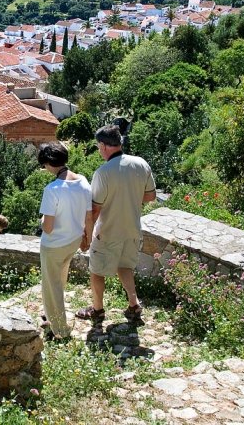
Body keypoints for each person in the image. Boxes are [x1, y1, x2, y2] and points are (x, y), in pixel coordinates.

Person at [76, 125, 156, 325]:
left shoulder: (103, 172)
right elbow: (151, 196)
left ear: (103, 146)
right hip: (133, 229)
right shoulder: (141, 163)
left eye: (98, 146)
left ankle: (97, 310)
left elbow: (95, 210)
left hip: (108, 231)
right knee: (125, 266)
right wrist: (129, 196)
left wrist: (86, 236)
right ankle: (133, 304)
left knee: (97, 271)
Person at [37, 142, 93, 341]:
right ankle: (51, 314)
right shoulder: (84, 182)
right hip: (73, 240)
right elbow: (88, 217)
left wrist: (41, 220)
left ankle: (59, 329)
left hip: (54, 244)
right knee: (60, 278)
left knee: (51, 285)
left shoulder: (52, 189)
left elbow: (48, 227)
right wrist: (87, 238)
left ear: (49, 164)